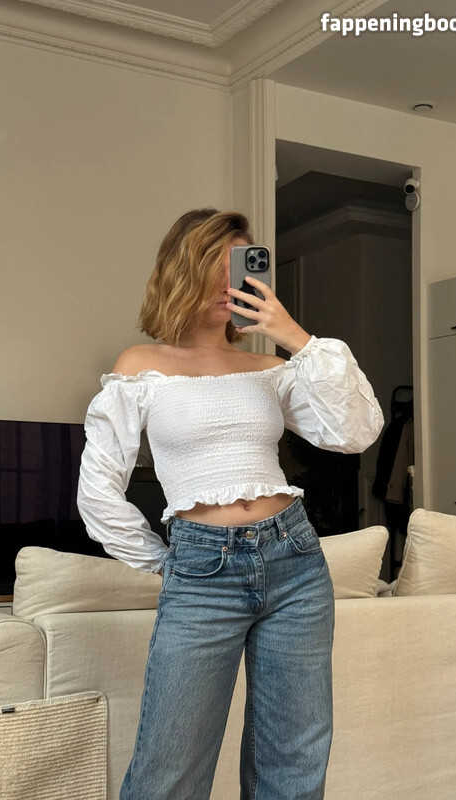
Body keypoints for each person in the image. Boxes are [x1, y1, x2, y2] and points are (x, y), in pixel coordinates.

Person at [77, 208, 384, 800]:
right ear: (181, 272)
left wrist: (295, 338)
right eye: (213, 268)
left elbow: (355, 432)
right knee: (169, 768)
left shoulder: (271, 367)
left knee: (293, 765)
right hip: (201, 570)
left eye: (239, 267)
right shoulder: (140, 367)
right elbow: (97, 490)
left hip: (295, 562)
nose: (230, 284)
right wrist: (166, 561)